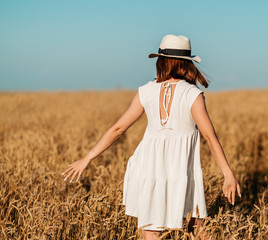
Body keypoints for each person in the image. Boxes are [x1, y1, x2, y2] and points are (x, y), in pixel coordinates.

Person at [62, 34, 241, 240]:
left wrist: (87, 159)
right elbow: (210, 137)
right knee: (196, 228)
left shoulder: (146, 91)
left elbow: (118, 129)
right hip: (181, 170)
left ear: (161, 61)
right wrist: (227, 173)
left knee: (150, 231)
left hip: (147, 168)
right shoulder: (192, 94)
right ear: (187, 64)